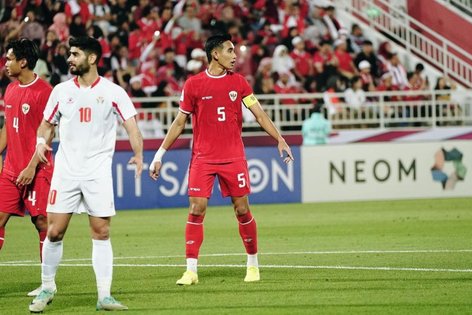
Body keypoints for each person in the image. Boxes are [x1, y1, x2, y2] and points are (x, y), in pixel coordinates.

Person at [149, 34, 294, 285]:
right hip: (203, 158)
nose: (235, 55)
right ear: (215, 54)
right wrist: (159, 155)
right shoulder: (193, 85)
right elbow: (180, 122)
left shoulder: (239, 83)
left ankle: (252, 264)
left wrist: (279, 138)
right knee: (196, 208)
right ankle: (191, 270)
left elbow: (259, 114)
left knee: (242, 209)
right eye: (229, 51)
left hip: (233, 157)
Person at [29, 36, 143, 313]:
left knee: (101, 231)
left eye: (75, 54)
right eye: (70, 53)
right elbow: (46, 125)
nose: (70, 58)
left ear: (91, 59)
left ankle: (104, 296)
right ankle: (47, 286)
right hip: (66, 172)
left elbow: (131, 126)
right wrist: (41, 143)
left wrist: (139, 153)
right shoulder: (61, 91)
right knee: (54, 232)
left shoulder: (114, 92)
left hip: (97, 173)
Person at [0, 38, 53, 297]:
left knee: (42, 222)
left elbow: (49, 133)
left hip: (38, 169)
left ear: (23, 62)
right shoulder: (9, 90)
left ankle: (47, 283)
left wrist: (32, 166)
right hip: (10, 170)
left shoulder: (45, 92)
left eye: (9, 59)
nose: (5, 63)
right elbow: (7, 130)